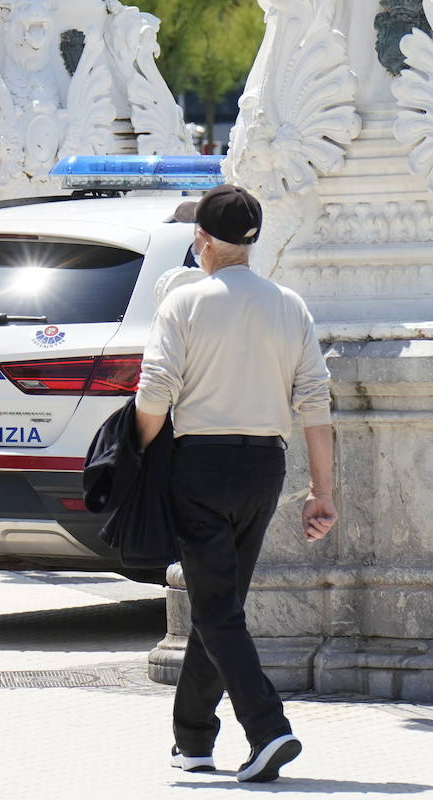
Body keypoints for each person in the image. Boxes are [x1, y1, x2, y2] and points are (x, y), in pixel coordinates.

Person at [134, 185, 337, 783]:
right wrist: (321, 493)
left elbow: (154, 393)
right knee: (219, 605)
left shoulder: (185, 303)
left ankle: (268, 729)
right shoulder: (289, 305)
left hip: (200, 466)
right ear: (252, 241)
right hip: (264, 469)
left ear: (201, 239)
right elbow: (316, 404)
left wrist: (136, 457)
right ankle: (194, 738)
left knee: (218, 608)